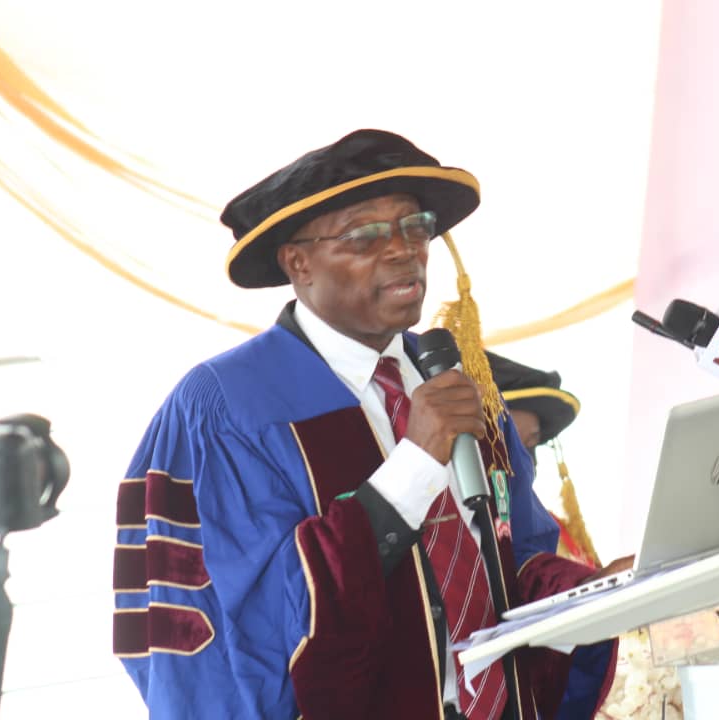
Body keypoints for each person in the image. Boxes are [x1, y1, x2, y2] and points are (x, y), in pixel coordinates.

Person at [112, 129, 622, 719]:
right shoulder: (227, 406)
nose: (403, 250)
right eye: (365, 235)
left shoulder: (459, 379)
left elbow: (516, 557)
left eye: (415, 227)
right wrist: (414, 465)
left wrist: (597, 592)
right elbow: (253, 627)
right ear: (298, 262)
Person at [486, 351, 600, 569]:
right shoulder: (474, 538)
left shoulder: (554, 531)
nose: (526, 461)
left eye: (531, 443)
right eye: (511, 444)